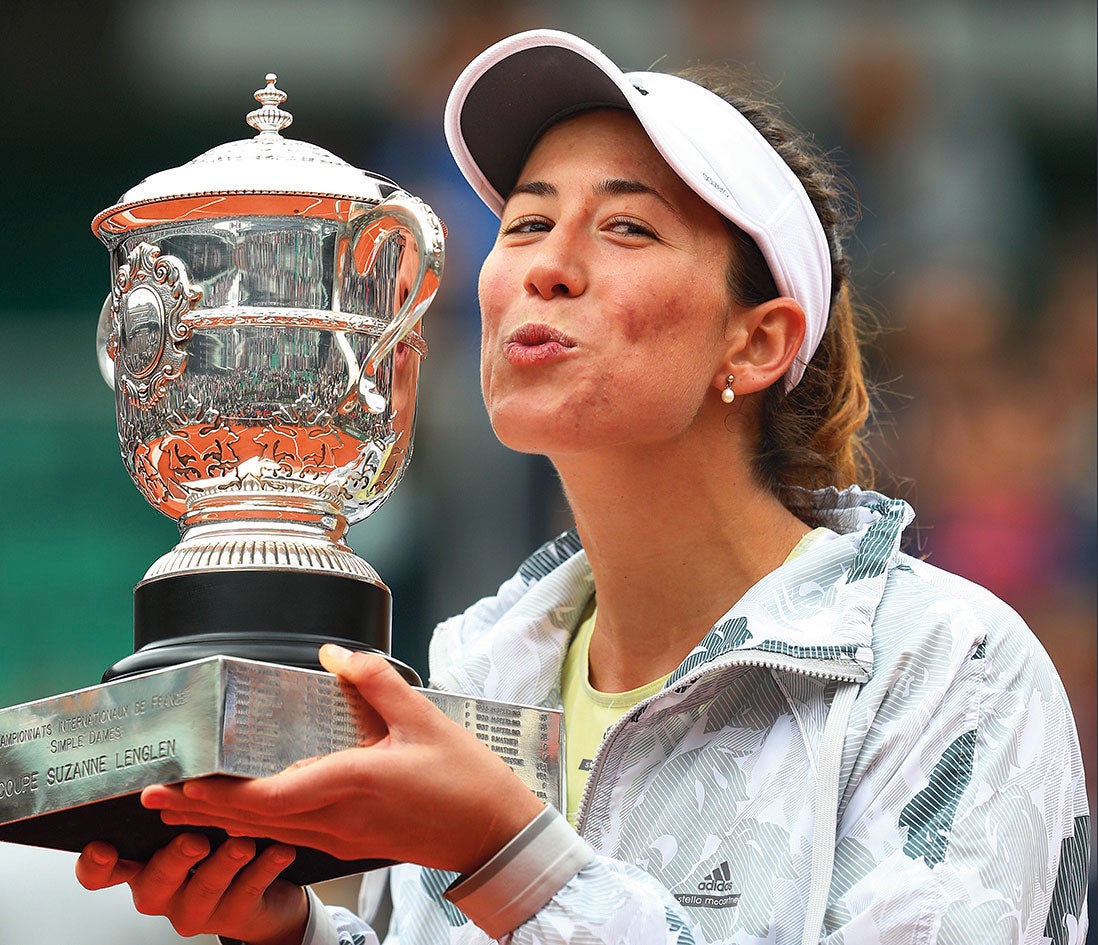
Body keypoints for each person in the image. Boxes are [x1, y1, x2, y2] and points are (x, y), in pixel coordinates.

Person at [73, 29, 1091, 945]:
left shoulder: (943, 667)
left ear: (760, 338)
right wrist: (288, 936)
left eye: (627, 230)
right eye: (523, 223)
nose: (546, 266)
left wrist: (509, 857)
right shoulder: (474, 669)